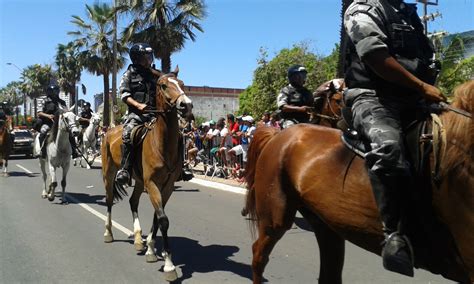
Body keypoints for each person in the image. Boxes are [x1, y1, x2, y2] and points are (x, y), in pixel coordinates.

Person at [343, 0, 446, 277]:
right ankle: (394, 236)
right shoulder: (363, 8)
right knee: (389, 147)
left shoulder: (409, 12)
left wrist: (429, 83)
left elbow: (426, 57)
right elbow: (375, 56)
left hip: (413, 96)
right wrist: (422, 86)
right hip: (373, 96)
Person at [116, 43, 158, 185]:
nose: (149, 60)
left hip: (155, 114)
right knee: (128, 134)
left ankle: (181, 167)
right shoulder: (129, 74)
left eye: (150, 56)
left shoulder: (155, 74)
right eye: (146, 57)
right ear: (137, 58)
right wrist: (139, 105)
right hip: (136, 115)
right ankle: (125, 169)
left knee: (177, 132)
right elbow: (124, 95)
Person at [37, 83, 80, 159]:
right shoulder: (44, 101)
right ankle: (42, 151)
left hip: (60, 123)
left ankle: (74, 151)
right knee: (43, 132)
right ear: (49, 92)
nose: (54, 93)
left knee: (70, 133)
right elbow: (39, 113)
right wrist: (48, 116)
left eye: (56, 91)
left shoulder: (62, 102)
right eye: (53, 91)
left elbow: (66, 112)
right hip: (48, 123)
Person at [276, 65, 314, 129]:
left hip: (306, 121)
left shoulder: (307, 92)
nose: (303, 78)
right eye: (301, 76)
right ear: (293, 77)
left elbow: (313, 105)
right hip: (290, 120)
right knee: (291, 130)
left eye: (304, 76)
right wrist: (300, 109)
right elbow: (282, 106)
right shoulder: (286, 90)